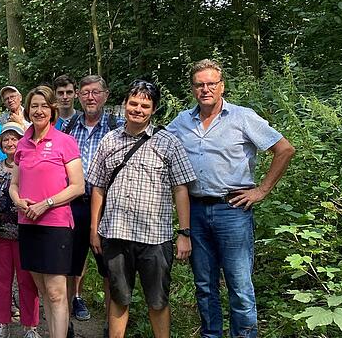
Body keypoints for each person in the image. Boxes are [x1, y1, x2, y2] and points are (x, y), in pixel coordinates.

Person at [167, 59, 295, 338]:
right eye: (199, 85)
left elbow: (284, 149)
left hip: (233, 211)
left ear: (222, 86)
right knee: (204, 284)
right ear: (192, 89)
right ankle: (211, 335)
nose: (205, 89)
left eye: (211, 83)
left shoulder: (242, 117)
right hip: (196, 211)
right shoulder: (181, 122)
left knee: (239, 285)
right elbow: (157, 146)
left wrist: (261, 190)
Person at [88, 80, 196, 338]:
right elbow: (99, 188)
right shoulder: (109, 140)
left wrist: (184, 232)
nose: (137, 109)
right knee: (118, 298)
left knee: (158, 301)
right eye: (133, 103)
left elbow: (180, 189)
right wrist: (94, 229)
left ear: (153, 109)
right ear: (125, 104)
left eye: (145, 105)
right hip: (115, 233)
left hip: (155, 238)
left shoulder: (168, 143)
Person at [9, 85, 85, 338]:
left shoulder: (65, 142)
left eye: (44, 106)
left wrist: (47, 203)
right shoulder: (22, 144)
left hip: (56, 225)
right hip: (27, 224)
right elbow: (14, 185)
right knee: (42, 291)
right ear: (28, 110)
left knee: (56, 293)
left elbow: (78, 186)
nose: (39, 111)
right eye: (34, 106)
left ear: (52, 109)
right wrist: (18, 200)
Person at [61, 75, 123, 335]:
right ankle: (65, 325)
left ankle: (112, 327)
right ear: (78, 96)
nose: (90, 97)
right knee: (67, 268)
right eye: (85, 92)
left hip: (109, 207)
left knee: (110, 270)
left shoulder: (117, 126)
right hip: (73, 206)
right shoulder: (68, 127)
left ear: (105, 95)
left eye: (95, 92)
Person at [0, 122, 41, 338]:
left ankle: (30, 326)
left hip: (25, 232)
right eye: (6, 139)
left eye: (14, 138)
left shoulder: (30, 166)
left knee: (27, 280)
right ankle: (2, 323)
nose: (10, 143)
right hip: (0, 234)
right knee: (1, 280)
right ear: (0, 144)